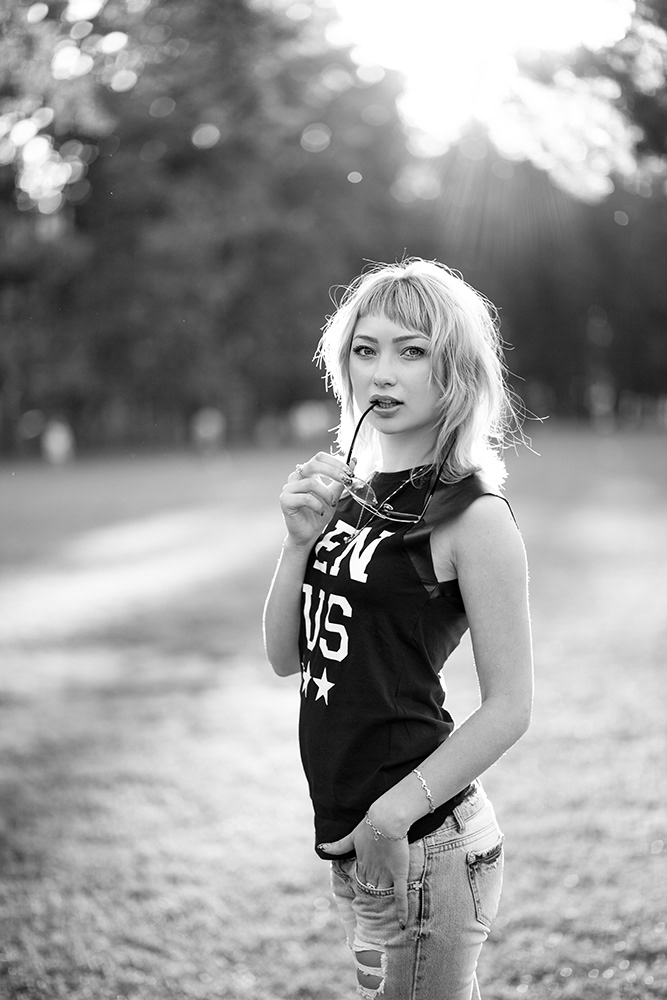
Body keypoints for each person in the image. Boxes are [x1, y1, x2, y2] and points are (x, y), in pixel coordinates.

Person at [263, 258, 533, 1000]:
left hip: (423, 836)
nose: (381, 372)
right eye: (365, 348)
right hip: (357, 837)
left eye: (410, 351)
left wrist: (390, 817)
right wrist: (296, 544)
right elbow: (286, 656)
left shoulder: (473, 516)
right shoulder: (346, 495)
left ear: (454, 371)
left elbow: (510, 707)